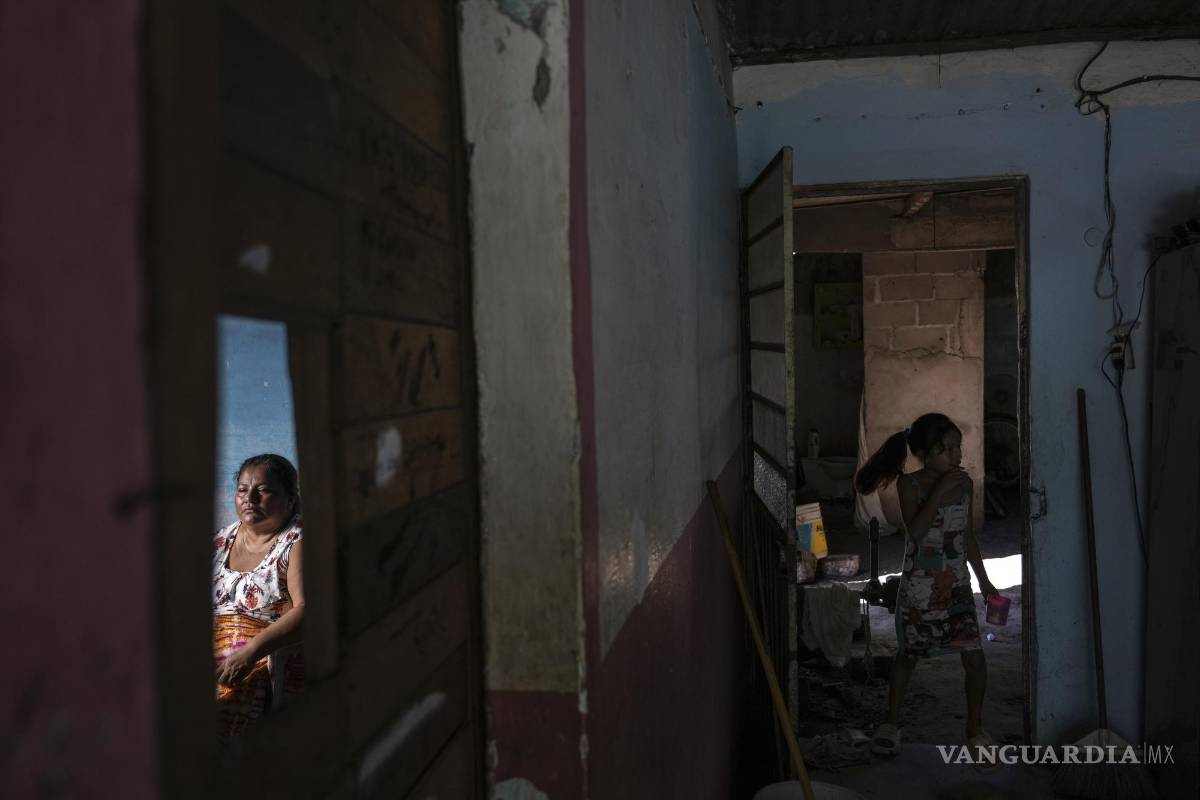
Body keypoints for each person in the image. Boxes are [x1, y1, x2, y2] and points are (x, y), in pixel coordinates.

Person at [854, 413, 1000, 767]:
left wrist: (984, 581)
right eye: (945, 449)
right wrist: (939, 492)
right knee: (908, 656)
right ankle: (891, 722)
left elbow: (966, 535)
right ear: (923, 453)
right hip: (920, 587)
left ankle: (975, 729)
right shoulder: (910, 485)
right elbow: (916, 533)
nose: (955, 456)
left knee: (975, 658)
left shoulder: (963, 485)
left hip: (957, 586)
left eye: (957, 448)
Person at [212, 453, 305, 739]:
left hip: (256, 661)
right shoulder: (220, 540)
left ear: (289, 499)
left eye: (263, 490)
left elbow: (307, 609)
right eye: (242, 490)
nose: (249, 498)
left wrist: (249, 655)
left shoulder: (296, 542)